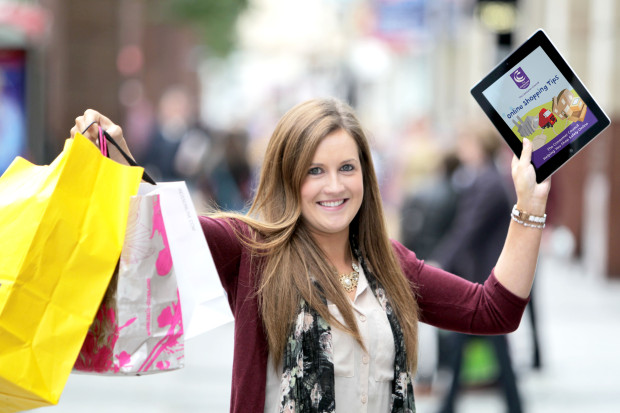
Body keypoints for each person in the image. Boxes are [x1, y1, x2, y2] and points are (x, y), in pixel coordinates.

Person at [71, 98, 550, 413]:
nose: (334, 186)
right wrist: (117, 163)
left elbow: (494, 310)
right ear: (288, 176)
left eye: (347, 167)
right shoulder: (251, 249)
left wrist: (529, 208)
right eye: (315, 171)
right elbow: (163, 229)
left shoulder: (389, 264)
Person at [430, 128, 524, 413]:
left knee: (486, 342)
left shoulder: (489, 183)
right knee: (473, 341)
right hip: (480, 274)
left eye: (466, 142)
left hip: (486, 275)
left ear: (479, 146)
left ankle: (509, 404)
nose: (461, 149)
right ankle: (454, 404)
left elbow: (466, 230)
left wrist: (439, 262)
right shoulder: (479, 180)